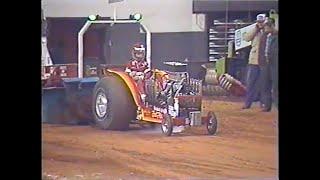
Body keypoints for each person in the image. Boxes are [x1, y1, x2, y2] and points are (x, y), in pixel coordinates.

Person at [242, 14, 267, 109]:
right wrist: (256, 29)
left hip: (264, 60)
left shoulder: (267, 29)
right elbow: (246, 38)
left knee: (264, 83)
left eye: (262, 22)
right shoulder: (254, 28)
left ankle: (263, 103)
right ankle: (248, 103)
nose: (260, 24)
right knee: (250, 83)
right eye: (258, 22)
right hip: (253, 60)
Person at [264, 18, 278, 110]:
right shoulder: (268, 36)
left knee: (276, 85)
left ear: (271, 26)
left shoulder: (276, 36)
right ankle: (267, 105)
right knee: (266, 84)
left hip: (275, 63)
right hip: (268, 62)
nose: (265, 29)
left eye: (266, 26)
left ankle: (277, 105)